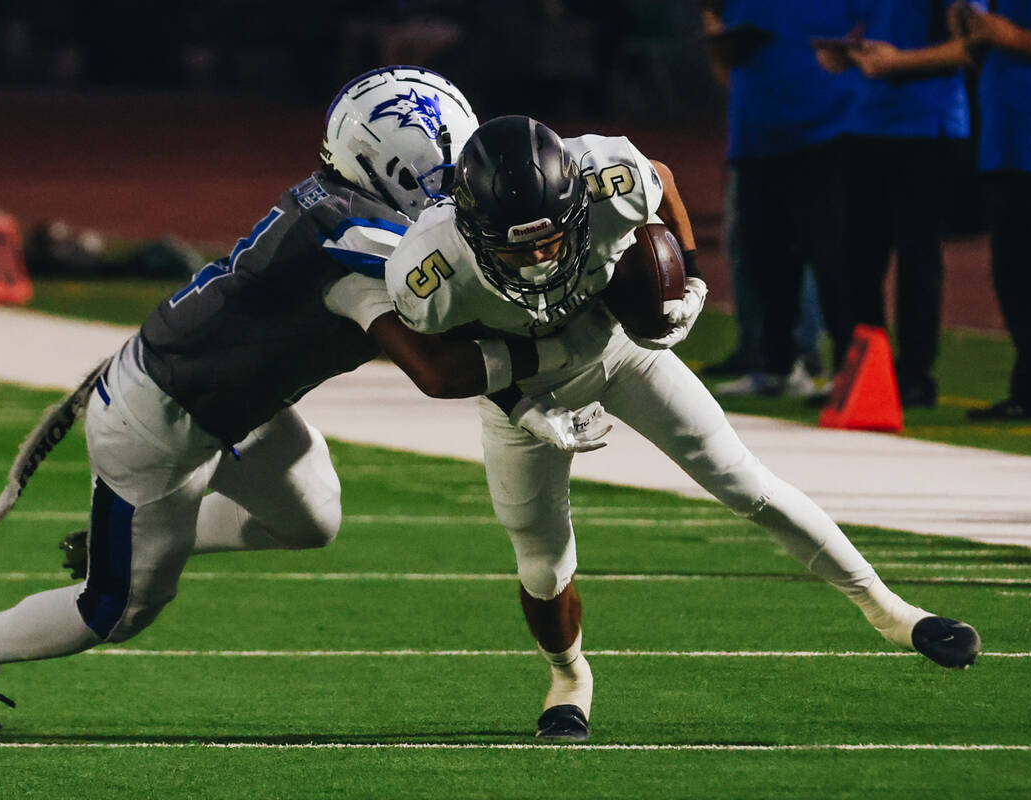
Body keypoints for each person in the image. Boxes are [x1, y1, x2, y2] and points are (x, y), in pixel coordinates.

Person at [0, 67, 602, 730]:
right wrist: (553, 359)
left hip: (241, 405)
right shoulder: (354, 237)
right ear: (391, 169)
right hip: (160, 420)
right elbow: (437, 367)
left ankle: (121, 542)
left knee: (314, 518)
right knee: (118, 608)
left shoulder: (347, 210)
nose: (460, 192)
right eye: (447, 177)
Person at [382, 115, 982, 742]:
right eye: (516, 248)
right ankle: (569, 679)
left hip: (621, 351)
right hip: (522, 387)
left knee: (744, 480)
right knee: (542, 562)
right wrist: (525, 410)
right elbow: (446, 365)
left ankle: (894, 613)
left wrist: (690, 275)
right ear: (474, 231)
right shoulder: (429, 269)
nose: (537, 259)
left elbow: (662, 180)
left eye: (550, 240)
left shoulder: (608, 177)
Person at [814, 0, 973, 409]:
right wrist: (846, 54)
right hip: (863, 120)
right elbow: (861, 32)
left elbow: (969, 46)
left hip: (925, 125)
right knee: (854, 260)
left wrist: (899, 61)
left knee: (917, 258)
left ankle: (914, 376)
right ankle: (860, 374)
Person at [701, 0, 861, 396]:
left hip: (828, 133)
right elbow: (726, 62)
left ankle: (845, 370)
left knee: (832, 258)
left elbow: (864, 39)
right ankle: (776, 366)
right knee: (764, 256)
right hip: (758, 136)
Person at [952, 1, 1031, 420]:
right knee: (1014, 276)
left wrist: (1013, 38)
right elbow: (971, 45)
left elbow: (1006, 38)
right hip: (1006, 144)